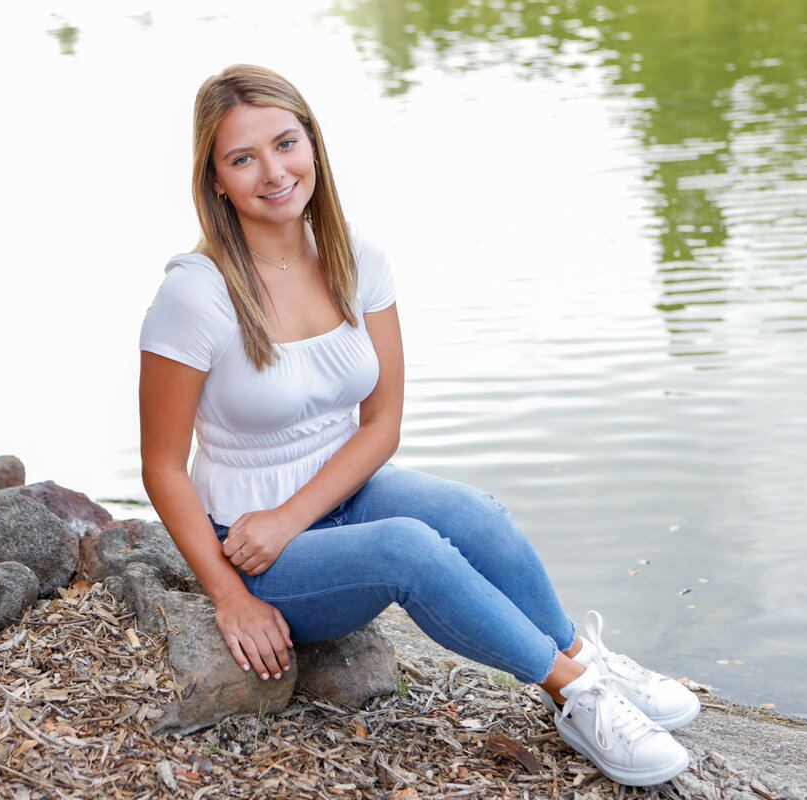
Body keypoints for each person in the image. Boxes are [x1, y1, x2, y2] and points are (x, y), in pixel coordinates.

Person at [138, 64, 699, 787]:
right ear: (215, 179)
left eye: (286, 143)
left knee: (475, 513)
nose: (273, 172)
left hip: (334, 495)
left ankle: (586, 659)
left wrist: (293, 514)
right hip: (251, 548)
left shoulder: (354, 258)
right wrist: (230, 596)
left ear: (313, 142)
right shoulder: (193, 296)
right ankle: (574, 693)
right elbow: (161, 465)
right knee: (408, 549)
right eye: (242, 158)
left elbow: (383, 425)